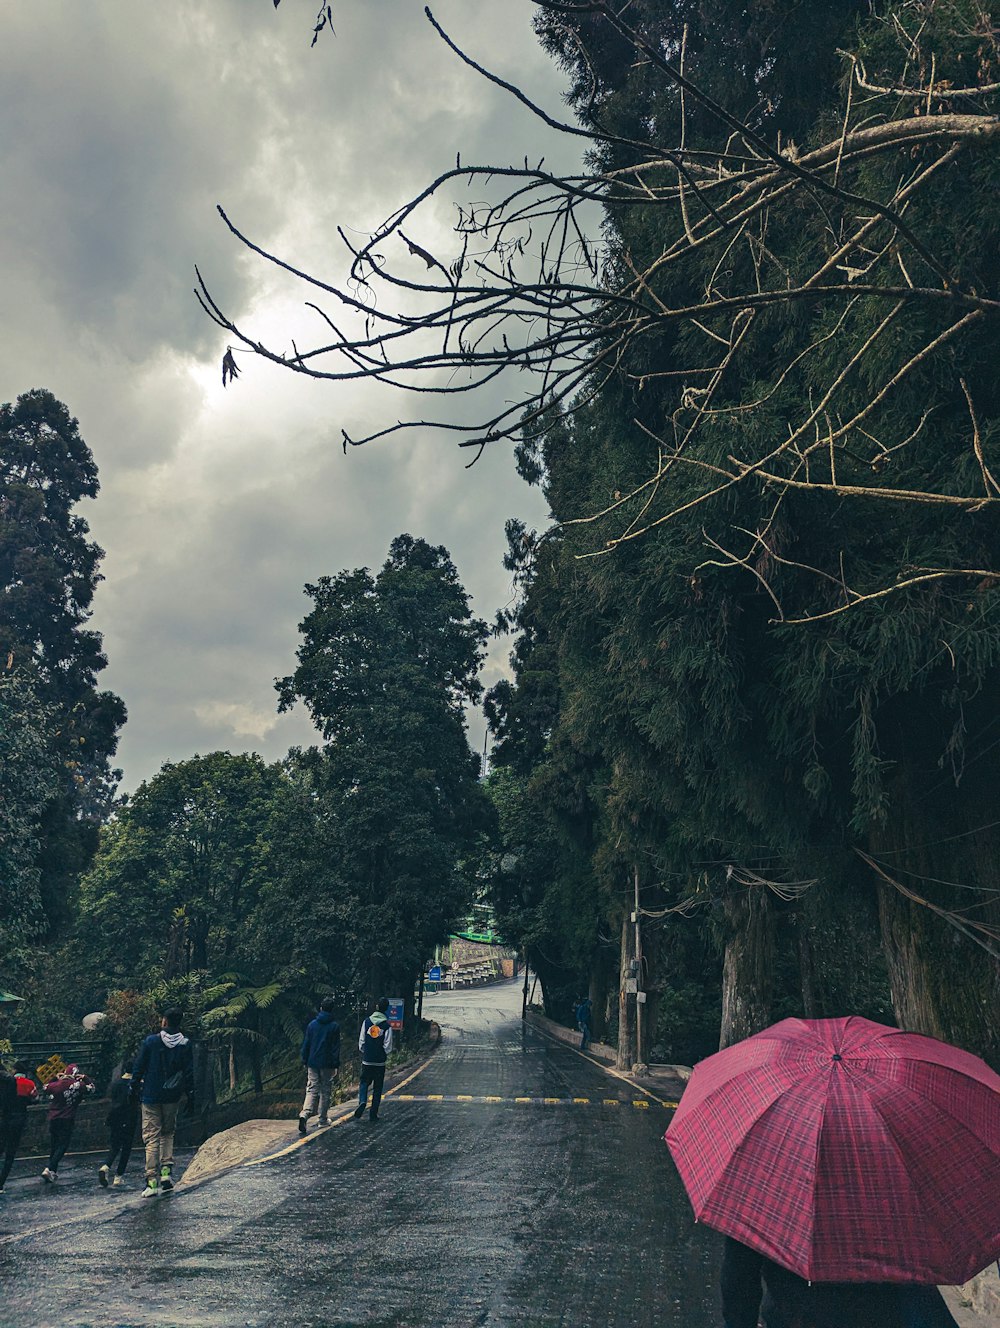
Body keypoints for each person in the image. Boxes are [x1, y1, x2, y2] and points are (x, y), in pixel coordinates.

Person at [721, 1235, 960, 1328]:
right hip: (878, 1314)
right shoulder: (882, 1167)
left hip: (796, 1317)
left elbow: (739, 1280)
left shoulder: (764, 1176)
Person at [131, 1006, 195, 1199]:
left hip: (151, 1096)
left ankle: (151, 1181)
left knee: (152, 1138)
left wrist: (133, 1086)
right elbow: (189, 1071)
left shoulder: (151, 1042)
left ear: (165, 1021)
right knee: (168, 1133)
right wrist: (191, 1094)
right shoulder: (185, 1043)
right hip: (172, 1097)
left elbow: (139, 1066)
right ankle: (166, 1175)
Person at [41, 1063, 95, 1182]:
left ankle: (52, 1172)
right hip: (67, 1118)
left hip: (53, 1118)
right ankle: (49, 1168)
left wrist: (55, 1077)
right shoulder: (77, 1085)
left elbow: (45, 1087)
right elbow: (92, 1089)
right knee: (63, 1145)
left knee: (54, 1145)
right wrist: (85, 1078)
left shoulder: (56, 1085)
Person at [297, 996, 341, 1135]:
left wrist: (304, 1059)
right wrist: (335, 1064)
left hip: (312, 1061)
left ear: (321, 1008)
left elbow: (307, 1044)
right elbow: (335, 1048)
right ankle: (322, 1120)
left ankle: (305, 1113)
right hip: (327, 1063)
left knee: (311, 1088)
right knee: (325, 1091)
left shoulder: (312, 1025)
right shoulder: (334, 1026)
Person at [97, 1058, 140, 1188]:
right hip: (129, 1118)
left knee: (115, 1145)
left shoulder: (116, 1083)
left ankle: (106, 1165)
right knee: (126, 1148)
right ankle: (118, 1176)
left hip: (114, 1117)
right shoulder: (135, 1084)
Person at [0, 1061, 38, 1194]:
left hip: (5, 1118)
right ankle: (1, 1183)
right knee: (10, 1152)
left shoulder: (7, 1082)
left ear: (14, 1069)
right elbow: (34, 1098)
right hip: (19, 1119)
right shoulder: (29, 1083)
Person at [352, 998, 393, 1122]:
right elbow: (388, 1046)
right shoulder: (386, 1026)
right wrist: (381, 1053)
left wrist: (367, 1052)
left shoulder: (367, 1022)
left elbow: (361, 1042)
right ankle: (373, 1114)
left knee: (364, 1082)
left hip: (367, 1060)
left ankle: (363, 1101)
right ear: (386, 1009)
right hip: (379, 1062)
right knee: (378, 1087)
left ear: (376, 1007)